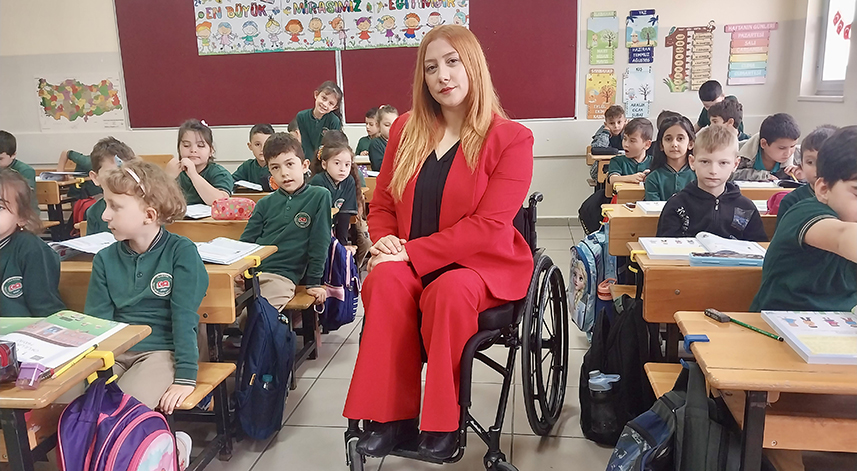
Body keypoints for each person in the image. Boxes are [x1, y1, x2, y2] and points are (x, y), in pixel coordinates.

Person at [344, 25, 534, 461]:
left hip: (480, 265)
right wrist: (386, 243)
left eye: (452, 62)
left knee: (448, 292)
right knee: (383, 283)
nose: (442, 75)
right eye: (431, 68)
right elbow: (383, 201)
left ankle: (443, 423)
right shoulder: (406, 128)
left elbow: (488, 226)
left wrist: (411, 252)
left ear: (474, 66)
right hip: (411, 259)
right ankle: (389, 418)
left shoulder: (510, 138)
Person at [85, 160, 207, 412]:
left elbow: (184, 319)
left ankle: (166, 437)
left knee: (120, 411)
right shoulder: (105, 259)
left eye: (115, 206)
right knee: (74, 405)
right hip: (115, 353)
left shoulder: (181, 252)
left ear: (149, 215)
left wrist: (185, 378)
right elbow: (99, 323)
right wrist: (92, 371)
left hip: (160, 352)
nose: (105, 215)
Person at [239, 133, 330, 311]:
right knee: (216, 305)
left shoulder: (319, 196)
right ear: (270, 172)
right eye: (275, 167)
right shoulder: (265, 203)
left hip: (282, 276)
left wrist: (314, 282)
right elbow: (246, 242)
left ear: (304, 165)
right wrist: (239, 270)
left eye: (289, 164)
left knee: (257, 315)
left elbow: (320, 242)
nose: (284, 173)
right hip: (252, 274)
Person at [657, 125, 767, 241]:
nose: (713, 171)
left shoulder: (746, 208)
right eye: (705, 162)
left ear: (735, 164)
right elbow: (665, 246)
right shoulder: (677, 205)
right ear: (692, 162)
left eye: (723, 163)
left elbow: (758, 246)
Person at [0, 169, 64, 317]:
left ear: (22, 217)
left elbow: (46, 309)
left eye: (0, 207)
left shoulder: (32, 249)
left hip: (24, 329)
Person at [776, 125, 839, 223]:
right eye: (810, 162)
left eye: (825, 162)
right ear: (801, 165)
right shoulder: (791, 201)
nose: (817, 169)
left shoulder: (847, 200)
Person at [309, 142, 363, 250]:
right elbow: (318, 217)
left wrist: (342, 246)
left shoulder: (349, 181)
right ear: (324, 164)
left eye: (347, 164)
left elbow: (345, 215)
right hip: (316, 230)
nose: (343, 169)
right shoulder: (318, 181)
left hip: (335, 227)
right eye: (337, 163)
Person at [166, 119, 233, 205]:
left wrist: (193, 175)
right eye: (186, 145)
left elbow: (221, 201)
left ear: (211, 150)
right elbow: (156, 201)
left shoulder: (220, 173)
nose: (193, 150)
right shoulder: (174, 170)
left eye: (200, 146)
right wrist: (167, 178)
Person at [85, 137, 137, 235]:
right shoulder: (94, 212)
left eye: (124, 173)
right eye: (111, 173)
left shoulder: (142, 206)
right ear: (95, 178)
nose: (119, 179)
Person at [734, 113, 801, 182]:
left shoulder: (801, 157)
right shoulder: (736, 151)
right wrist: (759, 175)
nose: (788, 153)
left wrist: (803, 175)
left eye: (792, 146)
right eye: (782, 148)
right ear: (764, 143)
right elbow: (730, 175)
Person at [644, 116, 696, 201]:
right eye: (668, 139)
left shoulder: (699, 176)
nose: (674, 144)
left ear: (690, 144)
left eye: (680, 139)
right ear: (661, 145)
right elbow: (653, 208)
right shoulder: (653, 178)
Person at [294, 81, 343, 166]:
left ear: (334, 107)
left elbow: (332, 147)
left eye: (331, 103)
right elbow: (306, 143)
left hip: (326, 162)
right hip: (308, 161)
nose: (325, 104)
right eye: (324, 98)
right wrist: (310, 164)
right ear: (316, 95)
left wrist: (321, 163)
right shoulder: (301, 116)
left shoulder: (334, 121)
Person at [606, 118, 653, 186]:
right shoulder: (617, 161)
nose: (626, 144)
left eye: (632, 141)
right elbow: (612, 179)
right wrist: (631, 178)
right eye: (625, 139)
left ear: (647, 145)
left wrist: (653, 177)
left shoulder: (654, 163)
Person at [232, 124, 275, 192]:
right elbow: (231, 181)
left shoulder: (278, 166)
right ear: (250, 146)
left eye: (266, 144)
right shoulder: (247, 166)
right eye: (257, 144)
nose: (262, 149)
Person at [589, 105, 626, 181]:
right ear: (606, 124)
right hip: (604, 169)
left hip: (624, 169)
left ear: (625, 121)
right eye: (612, 123)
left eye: (619, 122)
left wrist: (628, 131)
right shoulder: (602, 132)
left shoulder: (629, 132)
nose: (616, 126)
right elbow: (597, 149)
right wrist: (606, 133)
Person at [368, 105, 399, 172]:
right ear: (378, 125)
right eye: (387, 125)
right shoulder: (375, 144)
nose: (392, 128)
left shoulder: (400, 142)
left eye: (395, 124)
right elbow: (379, 166)